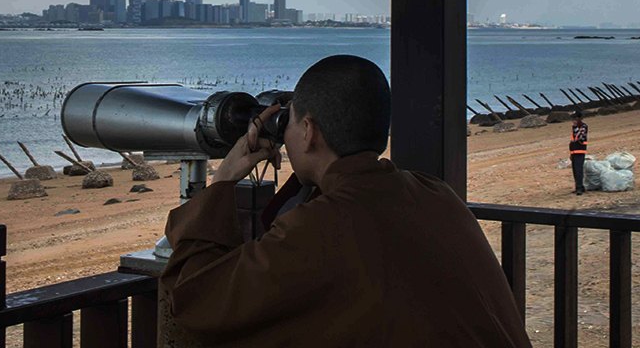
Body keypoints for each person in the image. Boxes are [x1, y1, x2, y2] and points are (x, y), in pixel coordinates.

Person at [160, 55, 532, 347]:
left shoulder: (321, 228)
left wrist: (223, 179)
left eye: (290, 122)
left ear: (308, 132)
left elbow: (197, 302)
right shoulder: (433, 193)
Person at [569, 111, 589, 195]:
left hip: (580, 151)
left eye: (575, 118)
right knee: (575, 170)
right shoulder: (575, 127)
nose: (574, 120)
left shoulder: (583, 127)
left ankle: (580, 188)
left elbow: (579, 137)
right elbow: (573, 139)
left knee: (578, 170)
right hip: (574, 151)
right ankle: (578, 187)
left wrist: (575, 127)